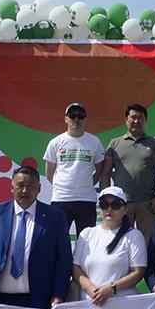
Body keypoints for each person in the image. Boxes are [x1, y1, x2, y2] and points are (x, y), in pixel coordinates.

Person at [0, 165, 72, 308]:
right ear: (12, 187)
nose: (25, 191)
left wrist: (59, 294)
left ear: (39, 189)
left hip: (38, 301)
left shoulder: (55, 217)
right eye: (20, 185)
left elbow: (64, 259)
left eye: (30, 186)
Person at [102, 103, 155, 239]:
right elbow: (105, 173)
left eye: (140, 118)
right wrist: (107, 199)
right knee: (120, 241)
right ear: (126, 120)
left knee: (147, 243)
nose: (136, 121)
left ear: (145, 121)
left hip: (148, 204)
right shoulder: (114, 144)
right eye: (133, 117)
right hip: (120, 204)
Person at [73, 186, 148, 303]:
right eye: (104, 204)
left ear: (125, 209)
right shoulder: (87, 234)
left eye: (116, 205)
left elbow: (138, 272)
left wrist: (112, 289)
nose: (109, 209)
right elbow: (75, 267)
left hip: (122, 306)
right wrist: (91, 289)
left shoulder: (134, 236)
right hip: (88, 305)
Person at [44, 102, 107, 238]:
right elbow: (49, 173)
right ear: (66, 118)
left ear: (85, 119)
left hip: (86, 200)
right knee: (57, 239)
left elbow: (100, 169)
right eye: (72, 116)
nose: (76, 119)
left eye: (80, 116)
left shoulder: (94, 142)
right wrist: (62, 186)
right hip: (61, 199)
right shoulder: (55, 142)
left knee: (87, 242)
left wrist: (87, 184)